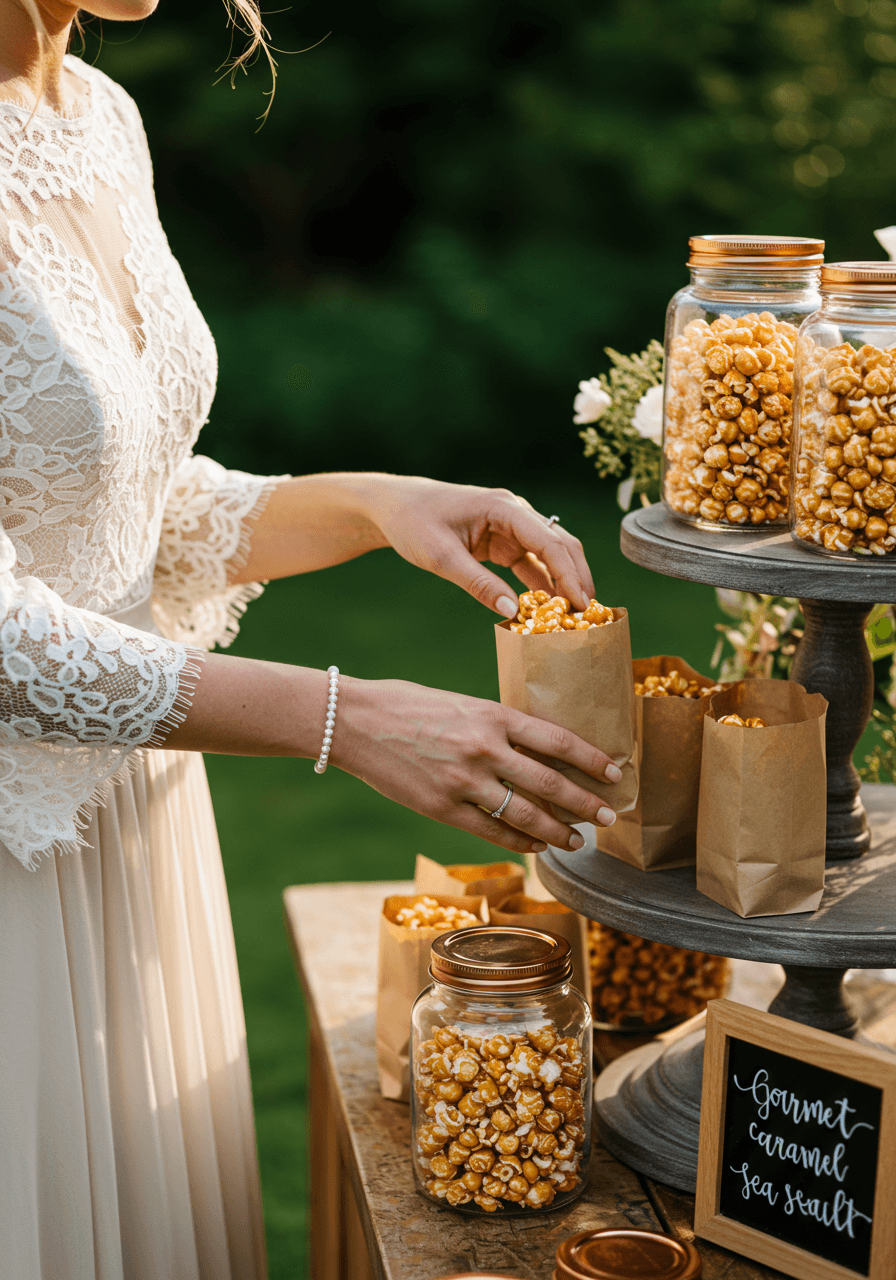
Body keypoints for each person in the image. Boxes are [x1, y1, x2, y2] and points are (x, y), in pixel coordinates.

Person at [0, 2, 619, 1277]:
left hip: (130, 822)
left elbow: (115, 507)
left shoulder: (101, 117)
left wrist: (371, 503)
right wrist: (347, 717)